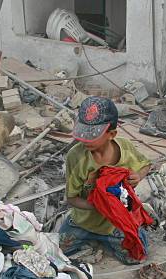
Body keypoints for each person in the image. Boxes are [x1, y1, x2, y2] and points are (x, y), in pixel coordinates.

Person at [59, 96, 152, 264]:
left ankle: (109, 238)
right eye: (83, 133)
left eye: (93, 135)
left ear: (112, 134)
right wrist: (98, 204)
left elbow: (145, 165)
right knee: (58, 251)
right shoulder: (76, 156)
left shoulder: (125, 148)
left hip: (115, 222)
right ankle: (93, 238)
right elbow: (71, 198)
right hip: (83, 222)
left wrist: (137, 176)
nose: (85, 139)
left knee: (137, 256)